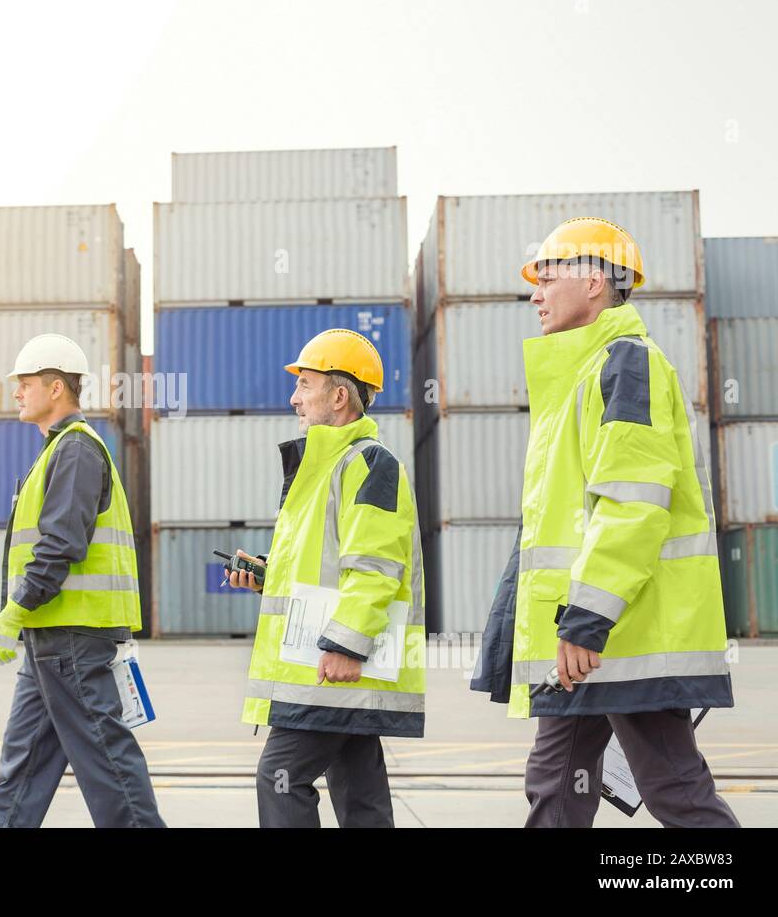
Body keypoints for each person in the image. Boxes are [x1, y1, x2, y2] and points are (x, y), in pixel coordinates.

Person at [470, 217, 739, 827]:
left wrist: (589, 618)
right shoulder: (578, 380)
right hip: (584, 638)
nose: (534, 294)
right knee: (555, 784)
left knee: (672, 785)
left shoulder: (626, 365)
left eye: (546, 277)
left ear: (594, 281)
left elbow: (632, 505)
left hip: (624, 631)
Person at [229, 329, 425, 827]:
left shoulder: (367, 463)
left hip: (331, 663)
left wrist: (346, 643)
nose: (294, 397)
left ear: (339, 396)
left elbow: (377, 566)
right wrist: (266, 576)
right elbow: (326, 568)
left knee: (281, 776)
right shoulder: (324, 466)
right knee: (360, 794)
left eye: (306, 385)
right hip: (324, 663)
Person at [0, 333, 165, 828]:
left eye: (25, 383)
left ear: (56, 387)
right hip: (51, 638)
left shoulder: (77, 449)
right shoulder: (57, 450)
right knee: (24, 770)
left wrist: (14, 611)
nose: (17, 392)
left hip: (74, 638)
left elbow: (61, 545)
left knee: (106, 761)